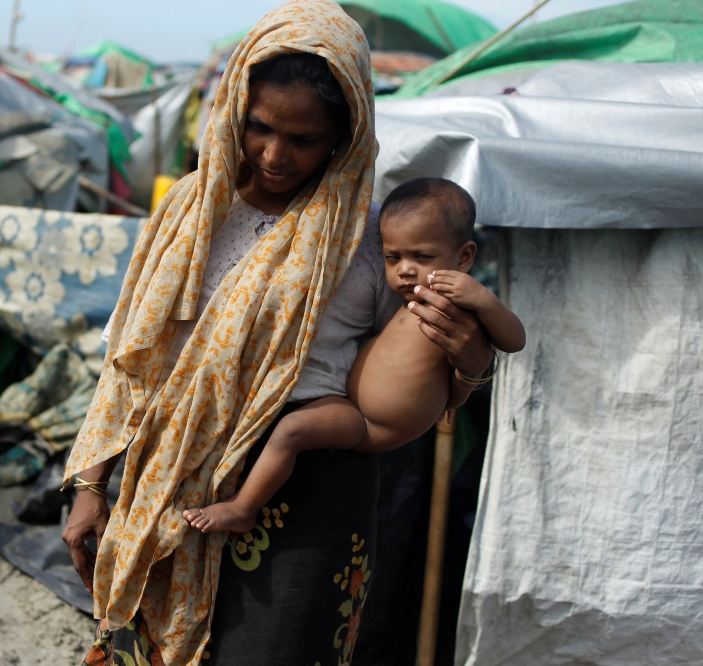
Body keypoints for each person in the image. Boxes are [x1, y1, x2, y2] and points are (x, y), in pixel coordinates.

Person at [62, 2, 495, 664]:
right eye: (259, 127)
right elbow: (130, 361)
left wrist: (469, 365)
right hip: (170, 479)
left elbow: (408, 377)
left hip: (311, 492)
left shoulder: (375, 241)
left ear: (344, 137)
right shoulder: (189, 211)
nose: (273, 155)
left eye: (304, 139)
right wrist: (92, 487)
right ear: (234, 106)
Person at [182, 177, 525, 534]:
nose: (406, 269)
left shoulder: (462, 304)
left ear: (465, 256)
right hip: (349, 406)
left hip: (373, 427)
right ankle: (243, 505)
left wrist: (483, 299)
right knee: (289, 431)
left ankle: (242, 508)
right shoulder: (407, 299)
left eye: (422, 256)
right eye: (393, 257)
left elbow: (513, 341)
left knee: (292, 430)